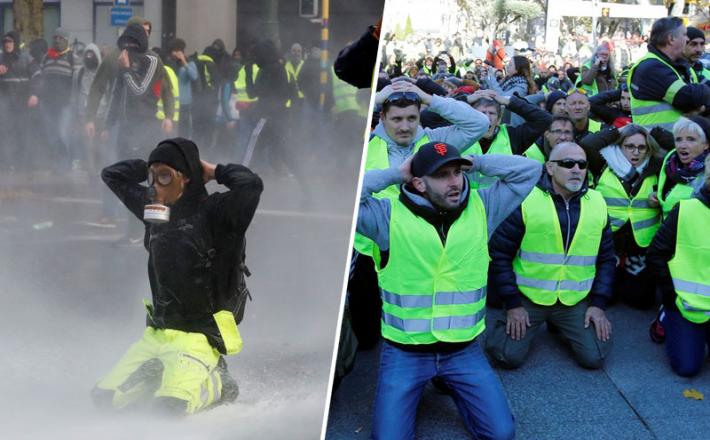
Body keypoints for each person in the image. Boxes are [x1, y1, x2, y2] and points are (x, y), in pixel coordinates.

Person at [357, 141, 541, 440]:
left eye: (457, 172)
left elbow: (530, 170)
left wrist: (473, 160)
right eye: (442, 175)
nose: (455, 182)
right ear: (418, 183)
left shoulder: (484, 207)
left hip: (462, 350)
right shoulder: (386, 216)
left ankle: (453, 386)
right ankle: (438, 385)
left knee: (502, 434)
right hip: (406, 352)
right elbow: (345, 196)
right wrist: (396, 173)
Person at [92, 137, 263, 413]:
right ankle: (161, 374)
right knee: (105, 398)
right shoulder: (155, 209)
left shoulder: (218, 213)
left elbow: (252, 185)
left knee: (168, 407)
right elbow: (112, 176)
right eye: (153, 177)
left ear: (186, 178)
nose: (156, 186)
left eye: (165, 176)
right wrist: (150, 167)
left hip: (200, 335)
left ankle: (219, 381)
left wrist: (214, 171)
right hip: (159, 332)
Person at [349, 80, 489, 349]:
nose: (405, 126)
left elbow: (479, 124)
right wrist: (377, 98)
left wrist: (430, 99)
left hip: (421, 246)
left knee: (422, 312)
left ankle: (435, 359)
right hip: (369, 247)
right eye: (397, 118)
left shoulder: (437, 141)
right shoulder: (366, 143)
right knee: (367, 334)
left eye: (412, 117)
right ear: (382, 117)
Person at [485, 142, 616, 370]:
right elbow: (499, 254)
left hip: (573, 298)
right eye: (567, 163)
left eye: (582, 164)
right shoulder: (526, 199)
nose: (576, 169)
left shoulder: (598, 203)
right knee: (507, 356)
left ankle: (561, 326)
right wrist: (513, 304)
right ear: (550, 168)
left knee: (594, 358)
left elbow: (606, 259)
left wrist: (598, 305)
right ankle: (505, 321)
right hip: (528, 298)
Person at [580, 124, 664, 308]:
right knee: (607, 298)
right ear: (619, 146)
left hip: (641, 243)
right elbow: (587, 144)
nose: (636, 152)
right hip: (611, 240)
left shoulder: (657, 165)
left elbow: (675, 149)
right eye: (629, 146)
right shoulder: (603, 162)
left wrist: (652, 132)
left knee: (641, 302)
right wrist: (619, 131)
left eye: (642, 147)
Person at [647, 155, 710, 377]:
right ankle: (666, 316)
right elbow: (655, 255)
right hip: (686, 304)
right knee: (687, 368)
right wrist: (671, 297)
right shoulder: (685, 210)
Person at [627, 17, 710, 131]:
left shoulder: (674, 66)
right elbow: (686, 97)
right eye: (684, 35)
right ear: (671, 39)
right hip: (655, 144)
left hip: (675, 143)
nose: (687, 39)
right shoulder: (652, 67)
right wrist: (703, 92)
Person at [462, 89, 552, 187]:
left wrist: (509, 101)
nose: (487, 118)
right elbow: (442, 111)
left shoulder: (512, 137)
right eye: (482, 113)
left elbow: (545, 119)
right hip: (462, 200)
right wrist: (466, 99)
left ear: (499, 119)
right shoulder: (458, 134)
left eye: (492, 113)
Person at [29, 27, 77, 171]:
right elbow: (40, 78)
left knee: (62, 133)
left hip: (65, 104)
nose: (57, 40)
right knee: (52, 135)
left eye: (60, 38)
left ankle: (65, 165)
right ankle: (57, 164)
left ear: (66, 40)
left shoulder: (72, 58)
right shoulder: (47, 57)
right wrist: (37, 95)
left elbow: (76, 82)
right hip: (48, 103)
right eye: (55, 38)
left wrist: (74, 102)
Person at [0, 30, 33, 171]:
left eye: (10, 42)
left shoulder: (26, 59)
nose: (8, 45)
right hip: (5, 102)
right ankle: (8, 164)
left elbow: (37, 77)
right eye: (5, 42)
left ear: (16, 43)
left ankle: (23, 164)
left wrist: (34, 95)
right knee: (6, 132)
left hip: (22, 101)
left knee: (22, 132)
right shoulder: (0, 59)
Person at [166, 38, 198, 138]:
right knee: (173, 131)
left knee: (184, 130)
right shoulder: (169, 64)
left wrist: (184, 62)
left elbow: (194, 76)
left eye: (177, 51)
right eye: (173, 51)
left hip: (185, 103)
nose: (175, 54)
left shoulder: (189, 63)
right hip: (172, 103)